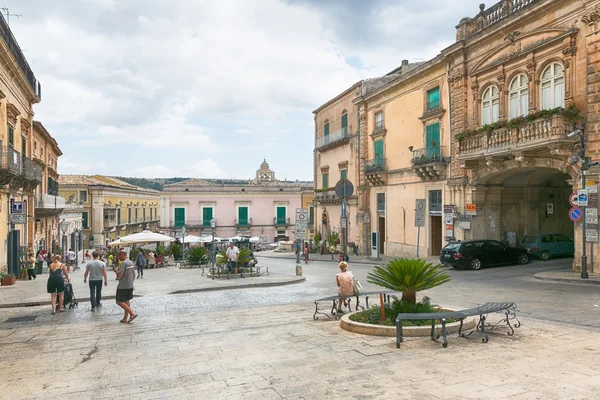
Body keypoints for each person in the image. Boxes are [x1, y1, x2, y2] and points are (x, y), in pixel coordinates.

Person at [115, 250, 138, 324]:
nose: (118, 257)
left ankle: (132, 313)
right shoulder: (130, 262)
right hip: (130, 285)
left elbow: (119, 276)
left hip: (123, 286)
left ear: (122, 254)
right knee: (126, 300)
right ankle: (125, 318)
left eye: (119, 255)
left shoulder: (123, 263)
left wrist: (116, 271)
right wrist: (131, 282)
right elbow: (134, 274)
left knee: (119, 301)